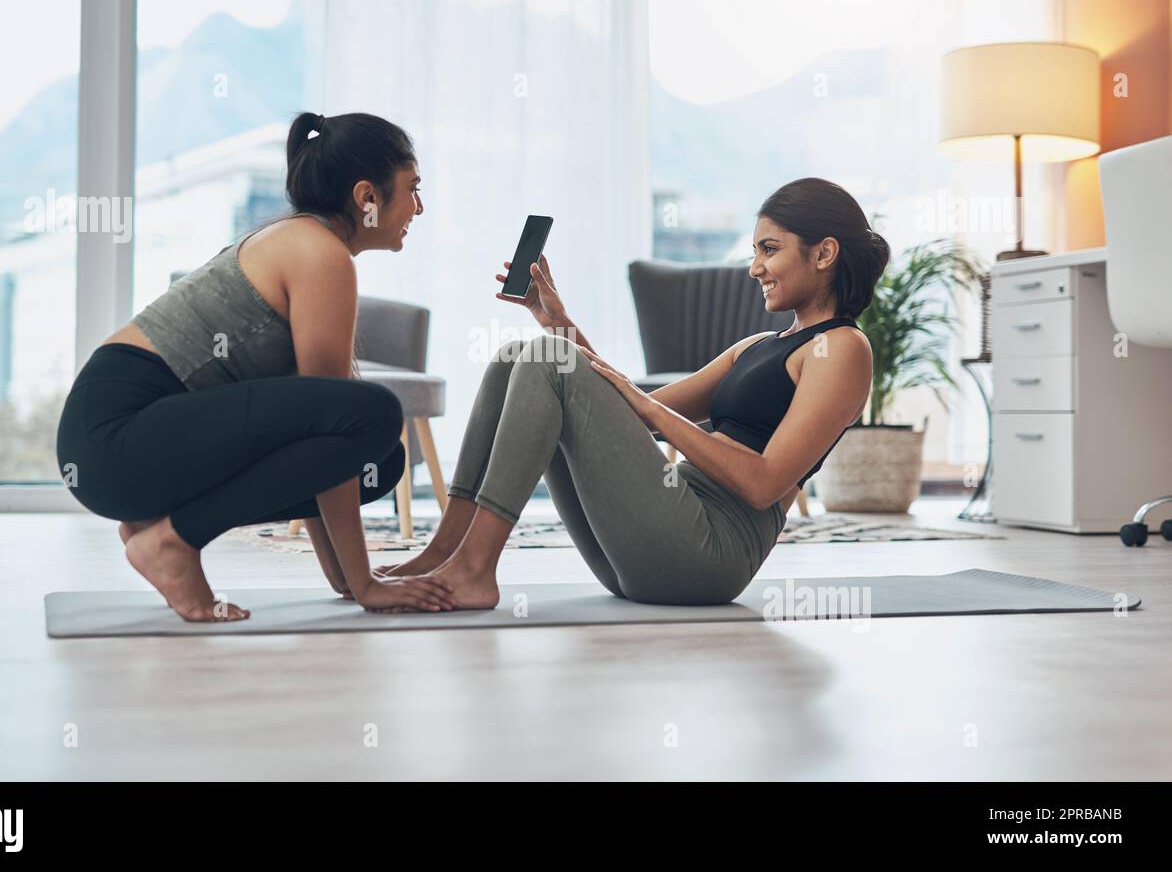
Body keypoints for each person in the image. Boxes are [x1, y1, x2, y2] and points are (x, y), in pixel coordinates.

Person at [383, 177, 888, 608]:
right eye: (755, 251)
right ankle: (447, 550)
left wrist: (633, 396)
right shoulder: (758, 345)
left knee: (545, 362)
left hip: (710, 552)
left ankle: (474, 570)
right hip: (656, 535)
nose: (755, 268)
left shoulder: (842, 350)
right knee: (518, 356)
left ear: (823, 253)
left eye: (770, 250)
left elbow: (762, 485)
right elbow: (633, 413)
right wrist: (563, 326)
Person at [55, 111, 455, 621]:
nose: (418, 207)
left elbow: (319, 436)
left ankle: (155, 523)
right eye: (412, 189)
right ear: (366, 197)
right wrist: (367, 586)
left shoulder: (299, 241)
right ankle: (173, 540)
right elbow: (341, 417)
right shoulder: (319, 254)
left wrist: (349, 581)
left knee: (381, 465)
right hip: (117, 434)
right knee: (374, 412)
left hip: (114, 452)